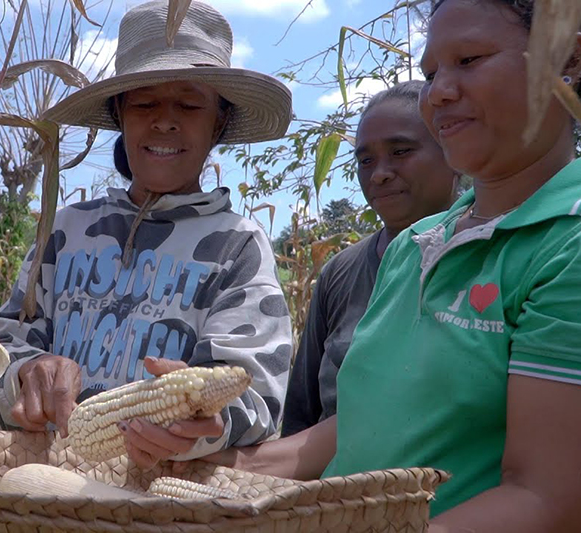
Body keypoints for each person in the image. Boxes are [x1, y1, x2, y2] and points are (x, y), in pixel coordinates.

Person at [206, 0, 581, 529]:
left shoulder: (567, 246)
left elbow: (546, 498)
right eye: (430, 73)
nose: (441, 91)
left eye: (469, 59)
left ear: (567, 57)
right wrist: (220, 467)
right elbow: (358, 425)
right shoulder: (414, 246)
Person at [0, 0, 294, 470]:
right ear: (120, 113)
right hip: (52, 483)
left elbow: (255, 391)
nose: (165, 120)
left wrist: (202, 411)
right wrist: (25, 373)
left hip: (159, 499)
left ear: (218, 123)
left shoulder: (237, 246)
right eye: (144, 102)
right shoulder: (66, 232)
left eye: (188, 104)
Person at [282, 80, 459, 436]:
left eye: (401, 152)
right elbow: (302, 412)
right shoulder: (340, 272)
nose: (379, 174)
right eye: (366, 160)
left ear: (453, 151)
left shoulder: (493, 252)